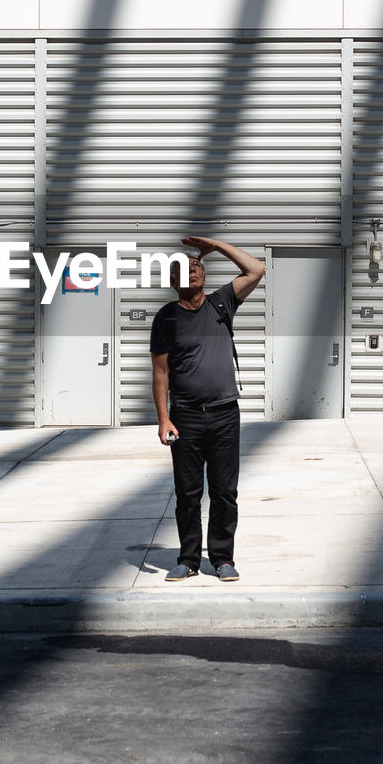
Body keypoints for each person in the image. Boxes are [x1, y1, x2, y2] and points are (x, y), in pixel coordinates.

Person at [150, 236, 264, 582]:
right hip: (185, 416)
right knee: (188, 494)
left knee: (225, 492)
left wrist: (215, 245)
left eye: (197, 265)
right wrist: (163, 418)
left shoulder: (221, 304)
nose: (193, 270)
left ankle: (222, 558)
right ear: (174, 282)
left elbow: (255, 268)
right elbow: (160, 372)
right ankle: (188, 560)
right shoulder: (166, 318)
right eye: (183, 269)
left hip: (225, 413)